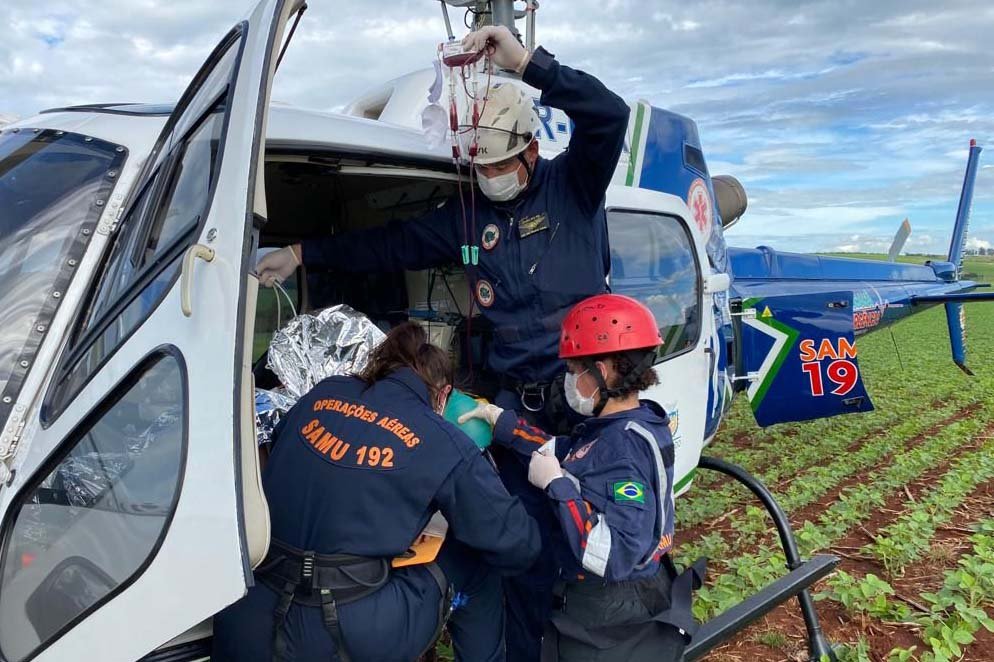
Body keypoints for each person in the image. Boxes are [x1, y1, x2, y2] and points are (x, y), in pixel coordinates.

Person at [256, 25, 630, 659]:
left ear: (531, 153)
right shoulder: (469, 216)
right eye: (480, 168)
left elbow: (608, 114)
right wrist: (300, 253)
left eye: (499, 165)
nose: (489, 177)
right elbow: (392, 244)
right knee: (518, 547)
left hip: (582, 404)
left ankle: (587, 634)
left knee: (586, 541)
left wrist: (531, 65)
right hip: (513, 409)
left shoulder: (575, 187)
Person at [212, 322, 540, 662]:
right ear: (443, 395)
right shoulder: (441, 438)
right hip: (343, 634)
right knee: (475, 559)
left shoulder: (324, 393)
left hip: (247, 613)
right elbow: (517, 544)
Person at [459, 294, 704, 661]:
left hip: (610, 604)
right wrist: (504, 423)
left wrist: (557, 486)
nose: (570, 382)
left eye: (574, 372)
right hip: (636, 586)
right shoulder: (634, 422)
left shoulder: (621, 449)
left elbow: (613, 555)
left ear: (601, 371)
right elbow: (573, 451)